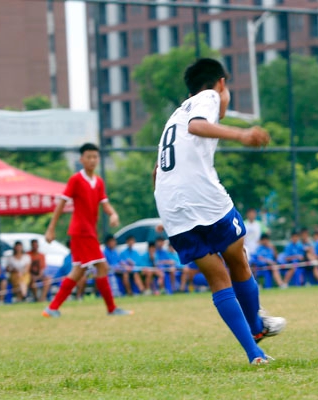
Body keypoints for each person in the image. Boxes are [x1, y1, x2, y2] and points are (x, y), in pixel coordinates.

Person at [152, 58, 285, 365]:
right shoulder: (207, 97)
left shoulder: (173, 116)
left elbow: (157, 171)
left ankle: (255, 354)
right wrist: (242, 135)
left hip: (171, 205)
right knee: (237, 258)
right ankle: (256, 326)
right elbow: (197, 126)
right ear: (222, 83)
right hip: (201, 195)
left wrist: (170, 207)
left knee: (218, 279)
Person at [43, 143, 131, 317]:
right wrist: (51, 228)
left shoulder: (98, 181)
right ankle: (112, 309)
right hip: (81, 232)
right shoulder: (75, 180)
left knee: (78, 271)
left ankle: (52, 308)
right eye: (89, 157)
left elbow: (105, 204)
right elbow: (61, 203)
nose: (92, 160)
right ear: (81, 159)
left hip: (89, 232)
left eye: (95, 157)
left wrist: (113, 214)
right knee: (102, 267)